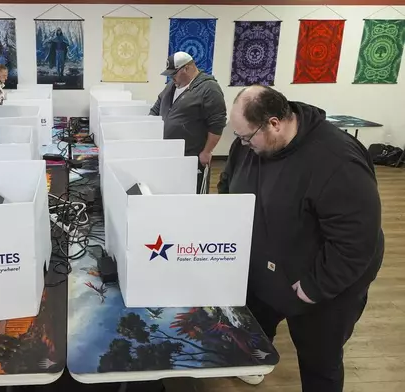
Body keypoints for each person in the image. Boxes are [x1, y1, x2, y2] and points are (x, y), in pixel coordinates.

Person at [217, 85, 384, 392]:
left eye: (245, 137)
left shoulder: (337, 160)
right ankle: (255, 362)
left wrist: (315, 287)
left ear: (274, 123)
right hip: (268, 267)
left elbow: (356, 242)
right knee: (254, 326)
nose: (240, 144)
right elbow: (228, 185)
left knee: (320, 360)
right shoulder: (251, 144)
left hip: (319, 284)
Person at [150, 52, 227, 193]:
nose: (171, 77)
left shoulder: (209, 88)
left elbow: (217, 123)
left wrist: (207, 151)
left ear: (186, 68)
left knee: (192, 194)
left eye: (174, 73)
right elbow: (156, 109)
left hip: (192, 155)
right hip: (169, 154)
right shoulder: (171, 86)